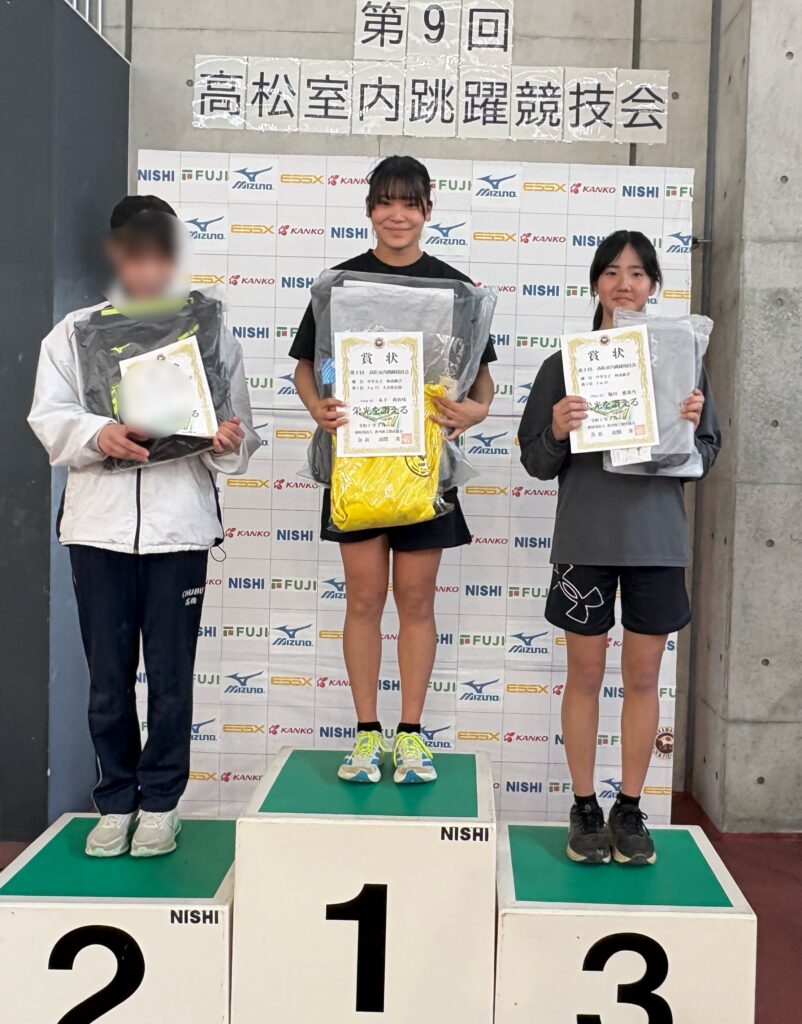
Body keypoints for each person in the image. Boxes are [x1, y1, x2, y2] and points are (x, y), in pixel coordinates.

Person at [28, 195, 258, 857]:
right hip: (97, 531)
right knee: (107, 681)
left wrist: (226, 440)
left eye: (162, 256)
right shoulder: (75, 333)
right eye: (137, 255)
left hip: (179, 531)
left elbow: (239, 435)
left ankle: (160, 804)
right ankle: (115, 802)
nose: (149, 269)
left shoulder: (210, 330)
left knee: (171, 679)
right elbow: (49, 419)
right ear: (117, 253)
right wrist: (97, 434)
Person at [291, 155, 496, 785]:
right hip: (356, 468)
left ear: (428, 210)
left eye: (410, 203)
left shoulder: (455, 290)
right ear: (369, 209)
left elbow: (482, 386)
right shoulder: (338, 286)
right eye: (386, 201)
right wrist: (318, 408)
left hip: (423, 470)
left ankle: (410, 734)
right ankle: (365, 733)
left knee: (415, 599)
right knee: (362, 598)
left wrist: (473, 412)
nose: (398, 215)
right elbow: (306, 366)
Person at [518, 230, 720, 865]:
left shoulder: (684, 359)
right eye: (611, 272)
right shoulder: (564, 364)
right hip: (586, 538)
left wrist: (687, 428)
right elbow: (535, 461)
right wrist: (556, 429)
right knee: (584, 676)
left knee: (643, 678)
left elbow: (707, 455)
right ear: (595, 284)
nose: (624, 283)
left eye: (636, 272)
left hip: (657, 542)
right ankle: (584, 806)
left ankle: (629, 808)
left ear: (654, 284)